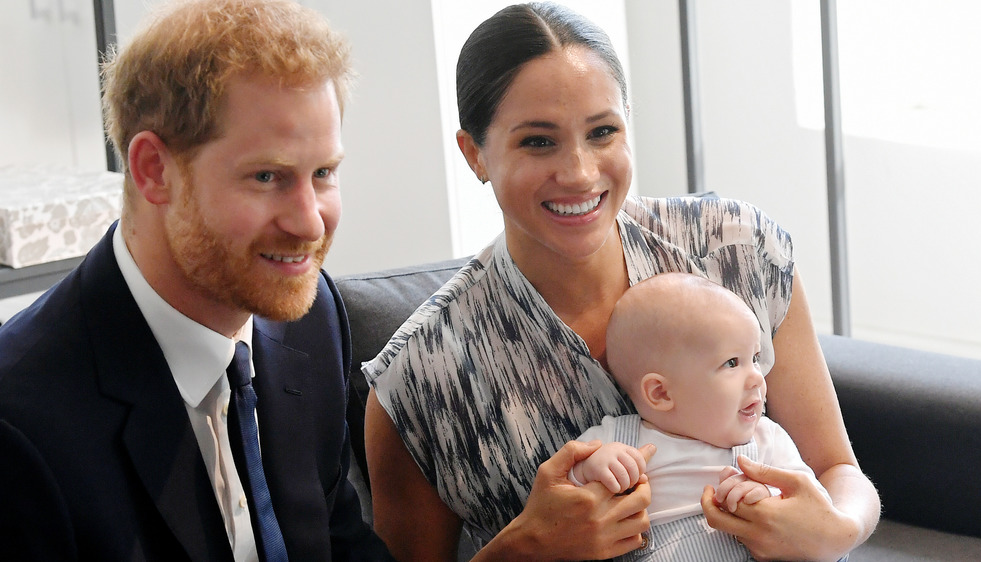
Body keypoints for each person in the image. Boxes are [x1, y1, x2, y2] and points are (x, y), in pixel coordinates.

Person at [364, 2, 880, 561]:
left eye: (602, 131)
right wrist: (524, 549)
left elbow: (836, 468)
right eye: (538, 141)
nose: (581, 173)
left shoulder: (737, 249)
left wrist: (838, 529)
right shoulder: (421, 376)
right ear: (475, 154)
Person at [0, 0, 394, 559]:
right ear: (153, 170)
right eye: (266, 176)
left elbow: (339, 542)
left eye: (323, 173)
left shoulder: (310, 318)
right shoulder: (20, 423)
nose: (309, 223)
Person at [569, 272, 833, 560]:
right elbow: (563, 497)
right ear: (661, 394)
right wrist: (591, 469)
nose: (757, 377)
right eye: (732, 363)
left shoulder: (767, 441)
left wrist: (768, 497)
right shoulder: (616, 442)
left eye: (754, 358)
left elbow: (809, 508)